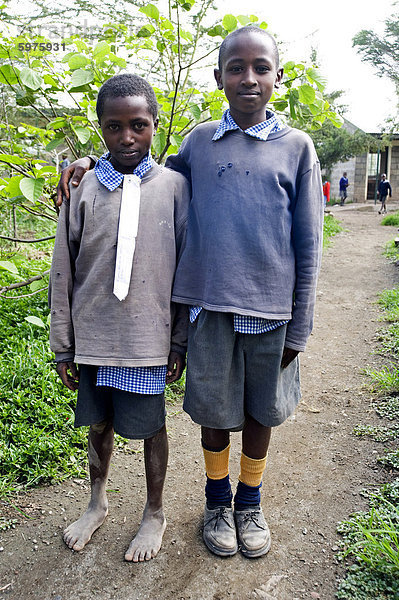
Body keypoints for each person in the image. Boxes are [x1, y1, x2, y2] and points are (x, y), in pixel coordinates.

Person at [57, 26, 323, 560]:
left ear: (277, 75)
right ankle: (217, 502)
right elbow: (143, 174)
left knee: (260, 413)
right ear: (218, 76)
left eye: (260, 68)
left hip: (271, 310)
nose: (248, 78)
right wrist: (88, 162)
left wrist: (302, 321)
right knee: (214, 412)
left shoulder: (297, 147)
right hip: (210, 309)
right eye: (235, 68)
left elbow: (309, 240)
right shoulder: (200, 142)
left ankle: (250, 502)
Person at [50, 73, 189, 563]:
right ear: (101, 127)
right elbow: (63, 270)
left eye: (138, 125)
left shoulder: (175, 187)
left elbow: (188, 270)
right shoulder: (83, 188)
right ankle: (97, 502)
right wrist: (62, 345)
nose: (126, 137)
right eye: (113, 127)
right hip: (93, 338)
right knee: (98, 425)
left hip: (149, 340)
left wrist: (179, 341)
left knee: (152, 428)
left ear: (155, 125)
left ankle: (154, 512)